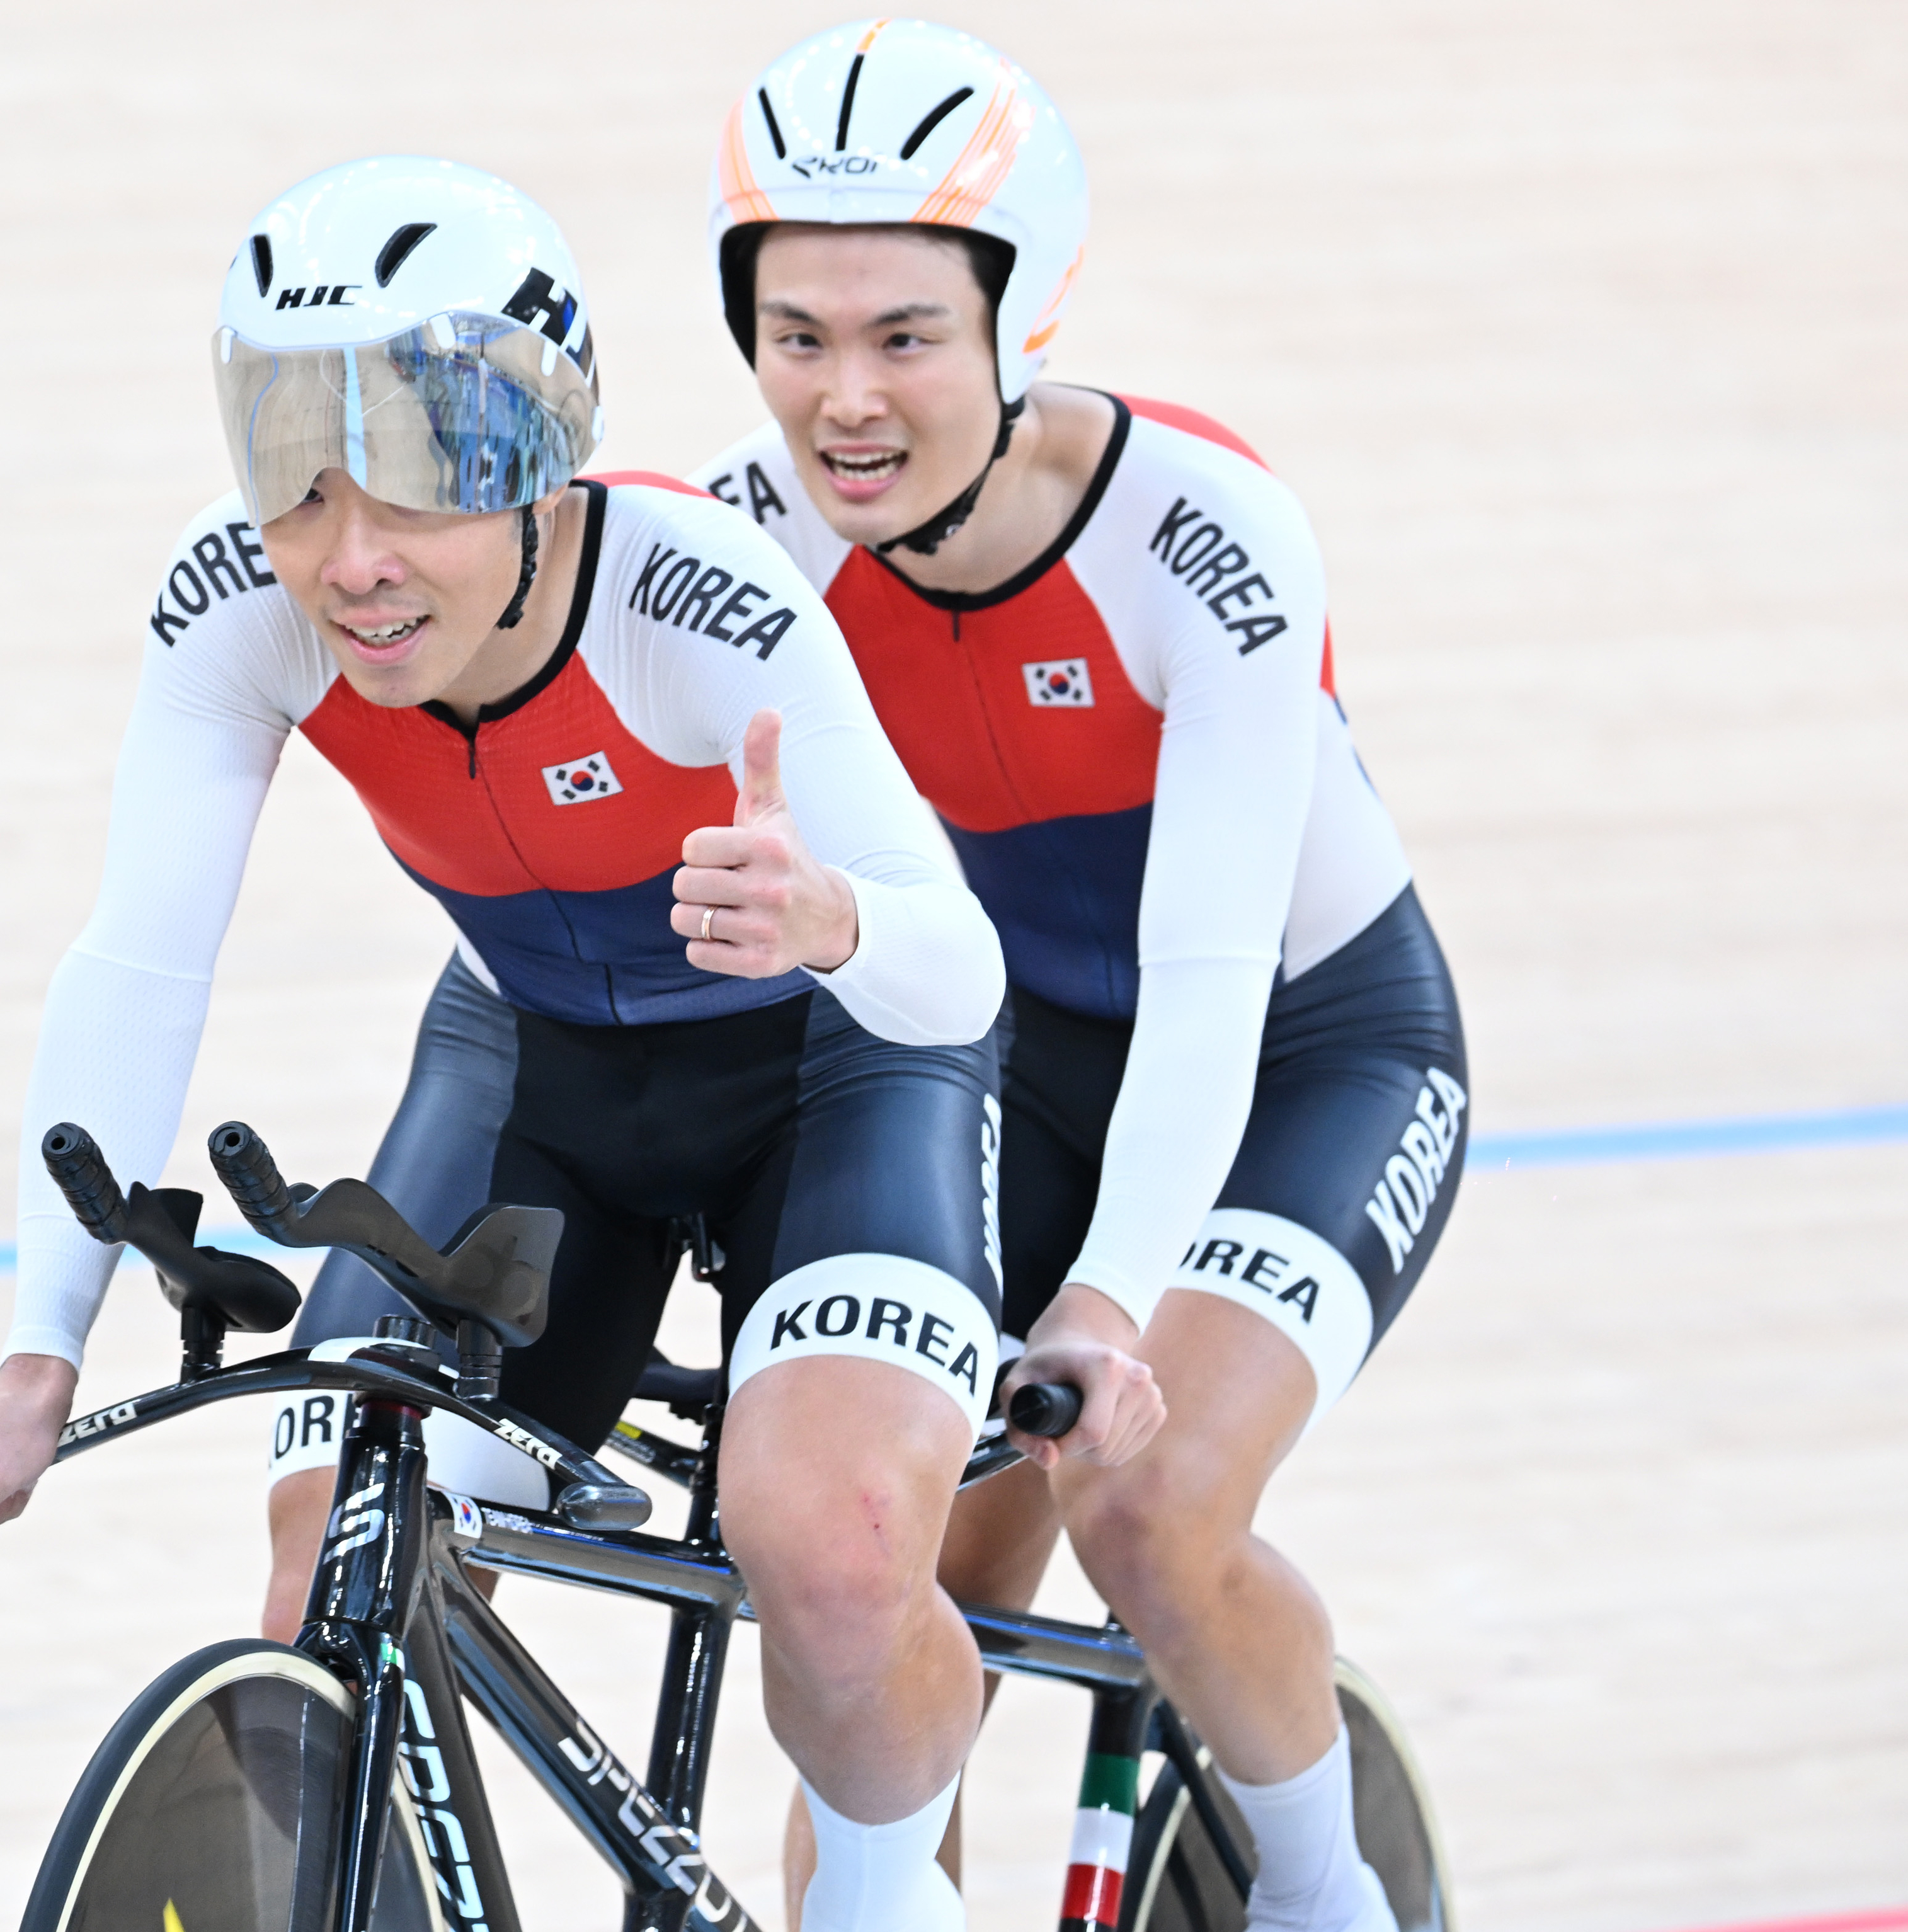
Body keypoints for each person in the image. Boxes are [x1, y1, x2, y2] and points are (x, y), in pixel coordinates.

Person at [0, 155, 1013, 1932]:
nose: (353, 559)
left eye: (422, 481)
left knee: (833, 1545)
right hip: (542, 1069)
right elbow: (136, 966)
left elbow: (956, 974)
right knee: (322, 1543)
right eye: (296, 473)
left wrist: (835, 924)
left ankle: (885, 1900)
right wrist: (39, 1351)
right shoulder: (240, 607)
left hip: (834, 1069)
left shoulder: (692, 597)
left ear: (538, 459)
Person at [692, 23, 1468, 1932]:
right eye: (800, 336)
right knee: (896, 1594)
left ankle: (1318, 1891)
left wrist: (1110, 1309)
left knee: (1143, 1502)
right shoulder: (750, 541)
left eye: (904, 337)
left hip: (1305, 1051)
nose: (845, 400)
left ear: (1020, 317)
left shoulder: (1203, 539)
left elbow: (1208, 979)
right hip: (1018, 1061)